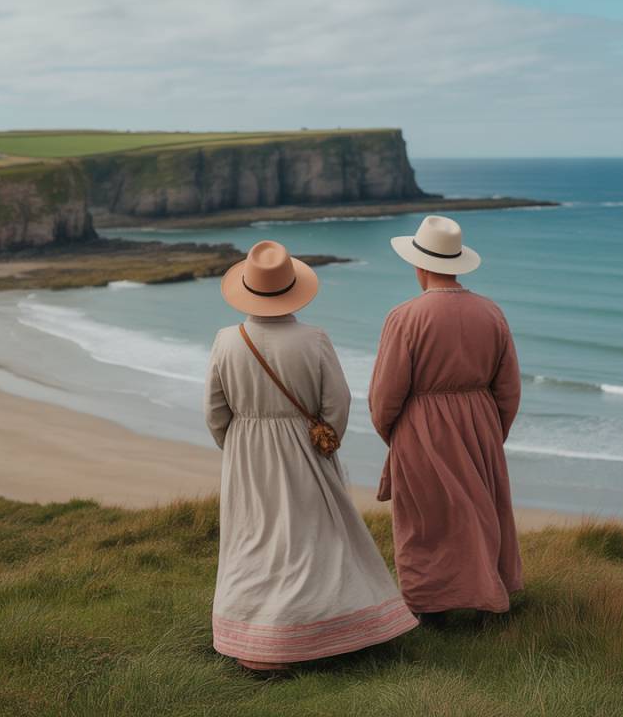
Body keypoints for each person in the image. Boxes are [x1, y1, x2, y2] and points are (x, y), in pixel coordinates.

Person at [205, 240, 418, 672]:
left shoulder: (227, 340)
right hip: (304, 450)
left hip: (248, 453)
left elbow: (215, 411)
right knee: (314, 542)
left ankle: (256, 642)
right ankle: (324, 633)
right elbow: (337, 402)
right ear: (291, 289)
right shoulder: (314, 338)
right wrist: (324, 440)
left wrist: (239, 446)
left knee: (253, 542)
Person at [368, 215, 523, 620]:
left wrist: (394, 434)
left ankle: (429, 605)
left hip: (421, 425)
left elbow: (386, 394)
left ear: (419, 265)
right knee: (479, 515)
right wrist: (492, 432)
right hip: (480, 423)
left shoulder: (405, 316)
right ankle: (484, 598)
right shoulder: (491, 313)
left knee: (426, 519)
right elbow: (508, 388)